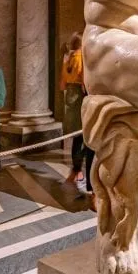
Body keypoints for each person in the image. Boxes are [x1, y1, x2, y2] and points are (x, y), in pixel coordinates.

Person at [60, 33, 94, 195]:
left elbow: (62, 85)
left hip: (69, 98)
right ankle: (80, 171)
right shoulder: (83, 58)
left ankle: (76, 170)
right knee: (87, 138)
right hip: (81, 98)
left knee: (76, 137)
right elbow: (84, 83)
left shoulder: (67, 58)